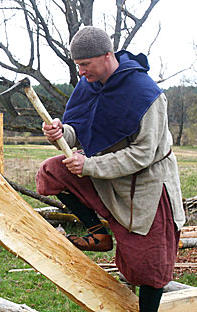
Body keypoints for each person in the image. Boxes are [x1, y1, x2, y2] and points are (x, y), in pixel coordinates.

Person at [35, 26, 185, 312]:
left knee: (149, 266)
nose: (80, 72)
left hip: (147, 184)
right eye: (77, 65)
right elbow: (79, 131)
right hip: (103, 172)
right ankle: (97, 234)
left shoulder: (146, 94)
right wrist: (60, 133)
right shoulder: (89, 85)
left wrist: (90, 165)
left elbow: (143, 154)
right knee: (52, 172)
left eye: (84, 65)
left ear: (106, 56)